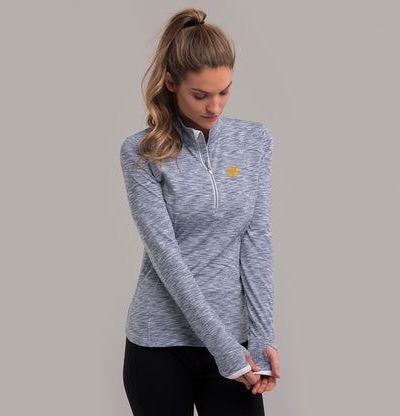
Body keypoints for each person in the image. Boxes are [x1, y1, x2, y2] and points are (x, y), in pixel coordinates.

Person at [120, 8, 281, 416]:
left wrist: (261, 340)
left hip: (235, 342)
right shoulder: (142, 153)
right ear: (171, 82)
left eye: (224, 91)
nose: (215, 106)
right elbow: (167, 258)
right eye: (200, 95)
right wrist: (227, 352)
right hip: (159, 345)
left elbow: (256, 241)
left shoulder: (254, 141)